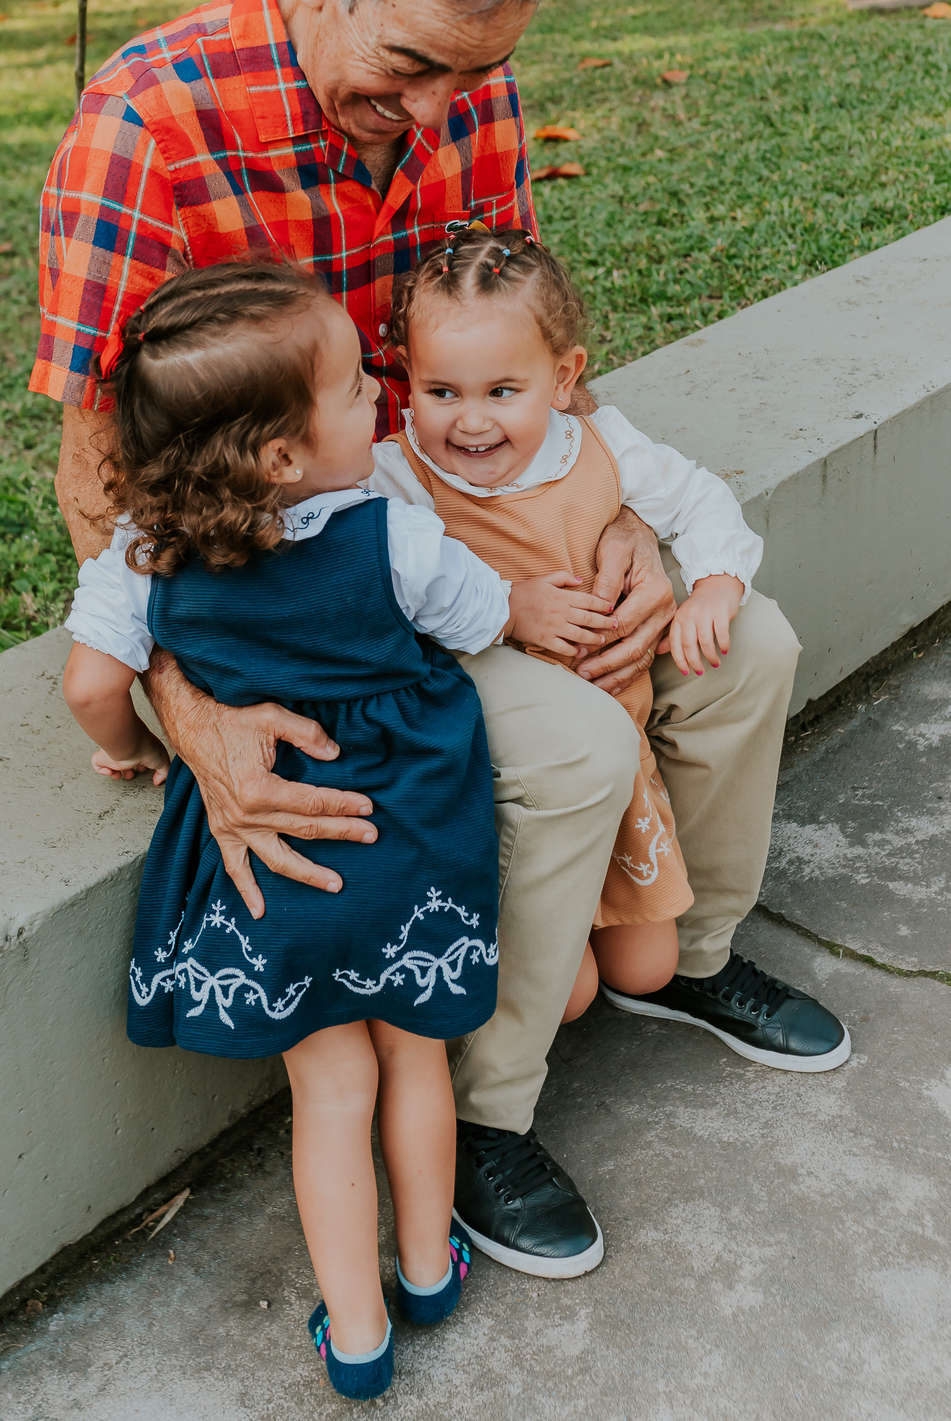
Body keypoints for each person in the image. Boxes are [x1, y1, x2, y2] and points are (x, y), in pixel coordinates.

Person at [34, 0, 848, 1284]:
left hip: (467, 511)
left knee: (749, 648)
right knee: (573, 749)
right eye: (408, 67)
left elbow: (524, 341)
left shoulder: (470, 83)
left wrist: (630, 534)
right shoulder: (146, 128)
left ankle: (695, 953)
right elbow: (103, 479)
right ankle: (480, 1110)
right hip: (322, 600)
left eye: (474, 74)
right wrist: (192, 708)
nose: (439, 112)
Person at [61, 260, 573, 1397]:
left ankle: (356, 1334)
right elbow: (485, 616)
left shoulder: (141, 556)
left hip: (279, 860)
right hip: (410, 839)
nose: (381, 399)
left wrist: (148, 747)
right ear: (283, 456)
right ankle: (432, 1268)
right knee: (416, 1057)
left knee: (329, 1089)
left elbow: (93, 684)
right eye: (353, 390)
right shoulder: (393, 539)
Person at [374, 225, 851, 1096]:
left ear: (565, 378)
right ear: (405, 379)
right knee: (573, 994)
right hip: (517, 746)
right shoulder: (398, 479)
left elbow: (699, 496)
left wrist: (711, 585)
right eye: (439, 390)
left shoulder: (595, 442)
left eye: (503, 390)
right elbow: (371, 593)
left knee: (643, 963)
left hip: (617, 731)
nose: (469, 419)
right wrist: (505, 608)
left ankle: (693, 963)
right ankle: (486, 1107)